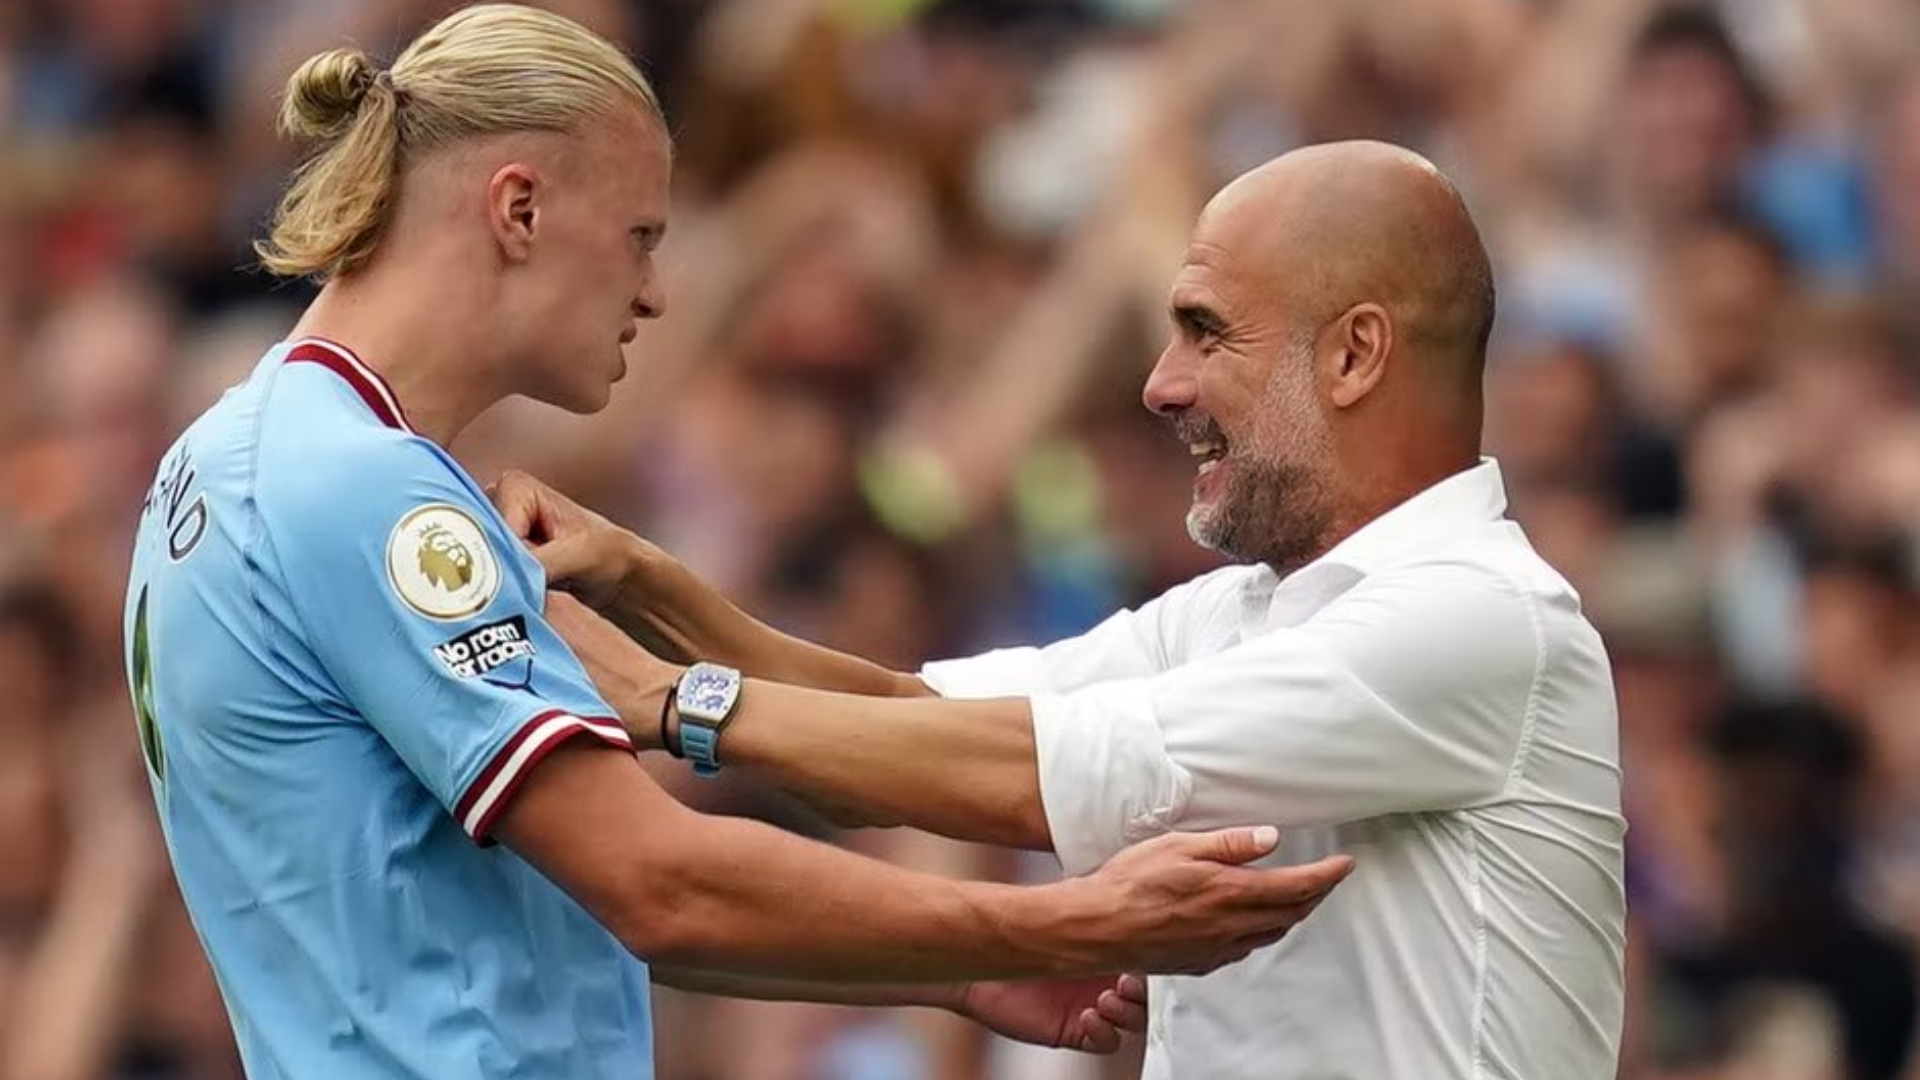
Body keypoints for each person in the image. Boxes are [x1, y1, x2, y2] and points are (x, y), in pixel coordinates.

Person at [119, 8, 1359, 1080]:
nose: (658, 294)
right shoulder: (371, 495)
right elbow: (659, 883)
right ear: (519, 207)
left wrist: (944, 974)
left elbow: (525, 914)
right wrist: (1057, 924)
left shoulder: (224, 457)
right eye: (643, 238)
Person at [506, 140, 1628, 1080]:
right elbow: (906, 714)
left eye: (1205, 330)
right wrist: (646, 584)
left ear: (1354, 353)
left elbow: (1025, 774)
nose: (1160, 383)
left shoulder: (1480, 619)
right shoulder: (1235, 614)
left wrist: (669, 700)